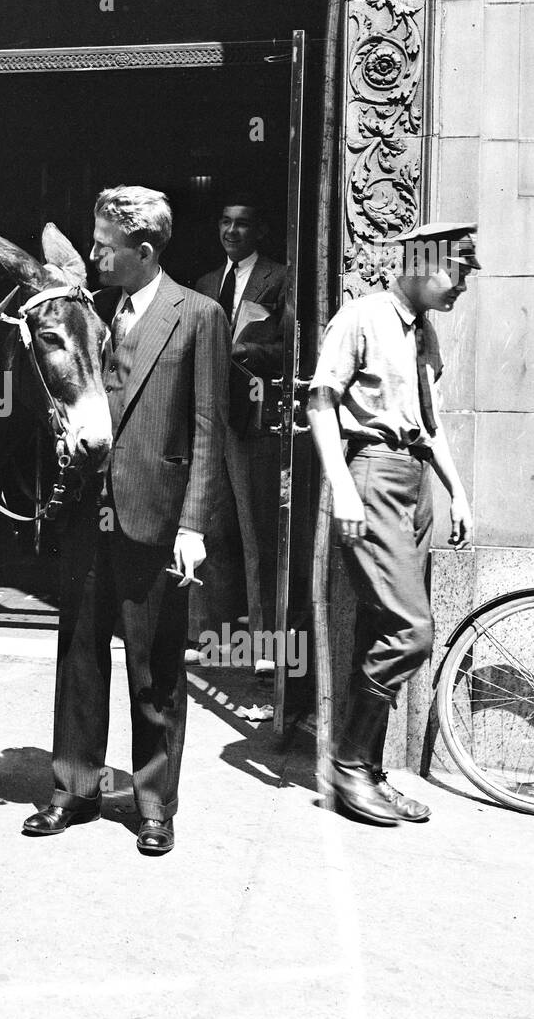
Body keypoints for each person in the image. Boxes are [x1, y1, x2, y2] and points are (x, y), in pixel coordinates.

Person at [23, 186, 229, 856]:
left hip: (157, 520)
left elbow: (207, 430)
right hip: (88, 517)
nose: (92, 255)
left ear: (143, 251)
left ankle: (151, 804)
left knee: (155, 673)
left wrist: (192, 525)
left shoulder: (197, 315)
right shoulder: (89, 313)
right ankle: (73, 791)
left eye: (104, 247)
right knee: (78, 661)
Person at [307, 221, 478, 826]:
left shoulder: (425, 334)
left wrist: (455, 490)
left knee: (385, 622)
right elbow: (319, 403)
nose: (463, 283)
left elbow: (428, 425)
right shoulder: (362, 318)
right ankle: (348, 766)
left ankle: (369, 772)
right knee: (412, 631)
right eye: (457, 268)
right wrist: (343, 488)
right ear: (423, 261)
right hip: (373, 473)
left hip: (414, 479)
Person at [192, 197, 287, 666]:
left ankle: (266, 646)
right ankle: (216, 641)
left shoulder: (280, 277)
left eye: (243, 223)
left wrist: (250, 352)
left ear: (260, 231)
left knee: (257, 537)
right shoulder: (207, 283)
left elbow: (291, 347)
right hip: (211, 420)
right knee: (213, 531)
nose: (232, 231)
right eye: (225, 222)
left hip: (253, 423)